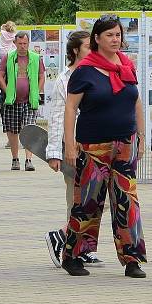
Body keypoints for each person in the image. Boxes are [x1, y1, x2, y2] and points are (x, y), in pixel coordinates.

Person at [61, 15, 146, 278]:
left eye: (118, 34)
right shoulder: (84, 70)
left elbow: (137, 102)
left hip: (125, 142)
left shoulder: (127, 65)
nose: (115, 39)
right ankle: (73, 255)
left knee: (127, 200)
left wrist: (141, 136)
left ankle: (132, 259)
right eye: (109, 35)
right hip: (92, 145)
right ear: (96, 39)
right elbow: (70, 107)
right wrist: (70, 145)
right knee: (88, 201)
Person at [44, 30, 105, 268]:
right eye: (89, 46)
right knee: (78, 198)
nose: (94, 49)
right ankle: (67, 241)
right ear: (75, 50)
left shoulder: (100, 72)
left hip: (98, 144)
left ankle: (79, 244)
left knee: (98, 199)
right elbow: (58, 116)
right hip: (75, 146)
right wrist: (55, 152)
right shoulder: (65, 79)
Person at [0, 32, 45, 171]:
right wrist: (6, 90)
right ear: (15, 43)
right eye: (20, 43)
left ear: (28, 44)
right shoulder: (9, 57)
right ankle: (15, 158)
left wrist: (37, 91)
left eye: (25, 43)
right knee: (12, 130)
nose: (23, 46)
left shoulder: (35, 58)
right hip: (12, 101)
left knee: (29, 128)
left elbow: (42, 76)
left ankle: (29, 159)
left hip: (29, 101)